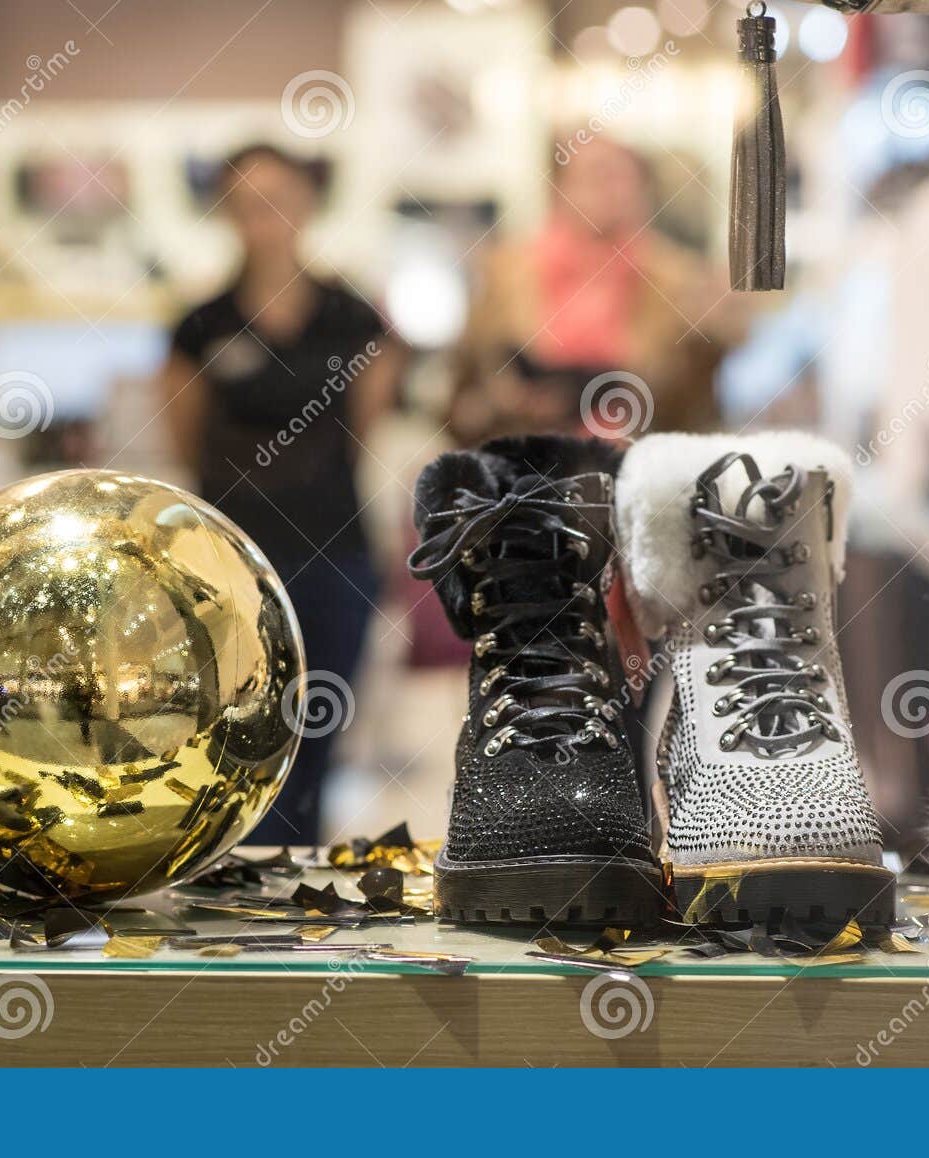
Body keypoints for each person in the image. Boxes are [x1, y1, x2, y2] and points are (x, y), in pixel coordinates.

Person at [160, 143, 405, 845]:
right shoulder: (200, 325)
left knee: (317, 736)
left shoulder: (354, 320)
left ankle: (299, 890)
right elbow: (185, 440)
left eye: (280, 197)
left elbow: (365, 432)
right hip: (230, 564)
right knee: (236, 734)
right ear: (226, 213)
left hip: (334, 552)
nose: (265, 216)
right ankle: (233, 879)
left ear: (307, 205)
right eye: (246, 200)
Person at [448, 135, 740, 445]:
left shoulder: (679, 281)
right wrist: (506, 401)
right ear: (559, 186)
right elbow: (464, 385)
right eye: (596, 175)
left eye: (622, 177)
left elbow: (700, 401)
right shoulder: (505, 273)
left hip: (634, 462)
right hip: (523, 462)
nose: (610, 189)